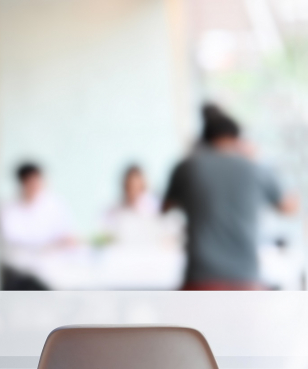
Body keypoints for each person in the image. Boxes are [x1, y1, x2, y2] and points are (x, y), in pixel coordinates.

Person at [163, 107, 298, 290]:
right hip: (245, 279)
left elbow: (165, 208)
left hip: (199, 277)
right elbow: (288, 208)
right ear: (237, 139)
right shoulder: (255, 168)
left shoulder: (187, 167)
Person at [0, 163, 75, 290]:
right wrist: (48, 244)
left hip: (54, 262)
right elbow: (12, 240)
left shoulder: (54, 204)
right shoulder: (8, 208)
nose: (36, 186)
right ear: (22, 183)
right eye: (31, 182)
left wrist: (66, 241)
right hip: (21, 266)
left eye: (38, 181)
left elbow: (65, 232)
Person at [99, 165, 167, 247]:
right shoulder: (113, 211)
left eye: (136, 187)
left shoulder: (154, 209)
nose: (133, 192)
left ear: (143, 187)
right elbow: (104, 235)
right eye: (130, 187)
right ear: (124, 186)